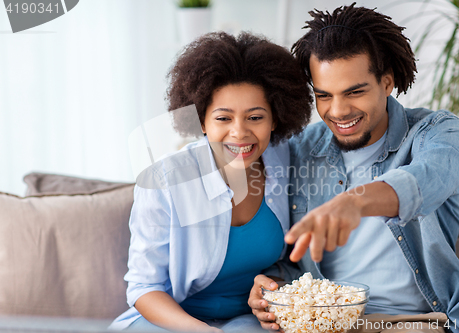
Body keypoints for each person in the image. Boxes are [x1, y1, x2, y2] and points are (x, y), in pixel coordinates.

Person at [248, 4, 459, 333]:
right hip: (322, 321)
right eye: (324, 95)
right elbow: (294, 257)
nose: (338, 111)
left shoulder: (435, 132)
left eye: (355, 92)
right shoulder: (299, 150)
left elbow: (430, 177)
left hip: (415, 321)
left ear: (387, 82)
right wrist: (270, 284)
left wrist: (354, 201)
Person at [109, 32, 312, 332]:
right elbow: (143, 287)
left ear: (275, 119)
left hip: (247, 319)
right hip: (171, 321)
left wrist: (272, 287)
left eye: (255, 117)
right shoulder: (163, 181)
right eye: (223, 118)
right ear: (201, 121)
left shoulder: (284, 160)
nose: (239, 133)